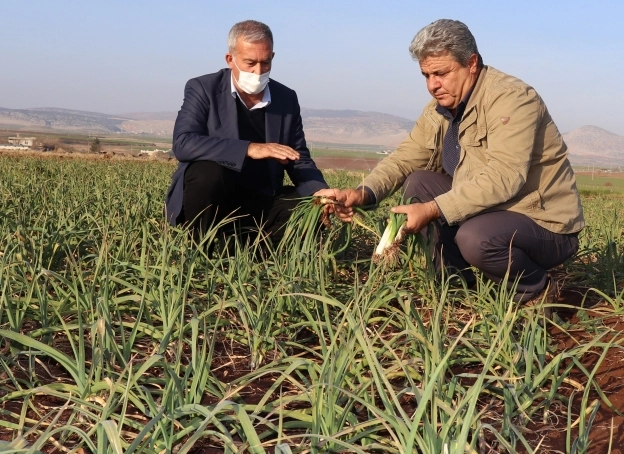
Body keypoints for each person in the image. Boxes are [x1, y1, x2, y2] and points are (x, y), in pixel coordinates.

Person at [334, 19, 584, 303]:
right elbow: (405, 158)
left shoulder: (512, 99)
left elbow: (504, 177)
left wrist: (431, 209)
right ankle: (457, 288)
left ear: (472, 63)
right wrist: (363, 192)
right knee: (419, 182)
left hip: (541, 222)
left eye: (441, 73)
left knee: (475, 237)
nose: (433, 85)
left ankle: (536, 290)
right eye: (426, 75)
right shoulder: (440, 109)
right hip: (489, 213)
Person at [165, 20, 335, 244]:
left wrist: (318, 191)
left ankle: (248, 251)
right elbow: (183, 143)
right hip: (215, 198)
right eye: (250, 63)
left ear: (272, 57)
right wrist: (249, 149)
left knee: (308, 211)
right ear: (230, 59)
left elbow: (297, 156)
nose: (258, 71)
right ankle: (200, 246)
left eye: (265, 63)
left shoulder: (285, 98)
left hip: (261, 199)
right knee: (208, 172)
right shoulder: (203, 89)